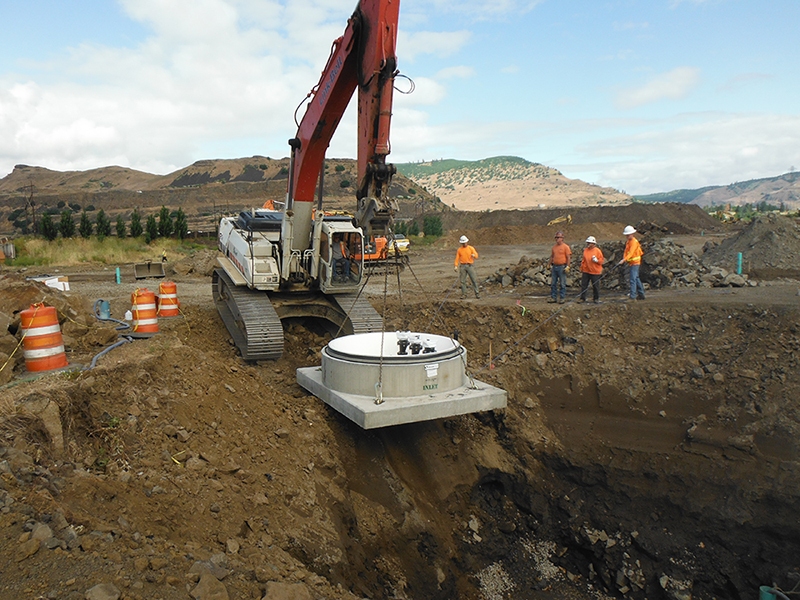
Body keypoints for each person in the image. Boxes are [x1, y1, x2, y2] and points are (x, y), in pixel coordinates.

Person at [618, 225, 645, 300]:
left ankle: (633, 296)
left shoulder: (634, 242)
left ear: (632, 234)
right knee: (636, 278)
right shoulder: (628, 242)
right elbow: (626, 251)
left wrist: (624, 260)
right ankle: (641, 294)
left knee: (632, 279)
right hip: (632, 262)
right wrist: (624, 258)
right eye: (626, 235)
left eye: (628, 235)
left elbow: (631, 253)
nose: (627, 236)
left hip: (635, 262)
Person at [548, 231, 571, 304]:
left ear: (562, 238)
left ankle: (562, 298)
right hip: (555, 267)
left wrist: (568, 266)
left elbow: (568, 257)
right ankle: (553, 297)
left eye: (558, 237)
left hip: (562, 267)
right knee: (553, 283)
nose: (557, 239)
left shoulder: (565, 247)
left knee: (562, 283)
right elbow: (552, 256)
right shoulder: (554, 247)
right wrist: (548, 264)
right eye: (556, 237)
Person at [579, 236, 604, 304]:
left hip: (595, 271)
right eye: (588, 243)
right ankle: (582, 298)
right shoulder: (586, 250)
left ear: (593, 243)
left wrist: (597, 260)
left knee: (595, 286)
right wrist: (582, 268)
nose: (588, 244)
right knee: (584, 285)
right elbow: (583, 260)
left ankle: (596, 298)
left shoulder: (597, 251)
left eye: (589, 243)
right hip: (586, 271)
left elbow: (601, 261)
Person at [454, 235, 480, 299]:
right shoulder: (459, 250)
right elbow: (457, 258)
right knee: (462, 281)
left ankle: (477, 293)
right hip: (462, 266)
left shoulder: (471, 248)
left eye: (465, 242)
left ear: (467, 242)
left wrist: (474, 255)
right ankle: (464, 294)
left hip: (470, 265)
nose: (464, 244)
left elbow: (476, 256)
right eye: (463, 243)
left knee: (473, 280)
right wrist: (456, 266)